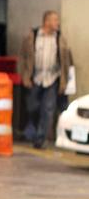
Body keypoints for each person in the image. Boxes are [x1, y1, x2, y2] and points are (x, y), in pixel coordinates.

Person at [19, 10, 72, 148]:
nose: (57, 23)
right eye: (55, 20)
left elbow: (65, 61)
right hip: (35, 78)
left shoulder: (59, 38)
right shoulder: (33, 36)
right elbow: (23, 57)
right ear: (46, 21)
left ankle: (40, 139)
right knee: (32, 107)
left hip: (52, 79)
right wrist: (25, 76)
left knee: (48, 109)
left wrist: (64, 80)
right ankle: (33, 131)